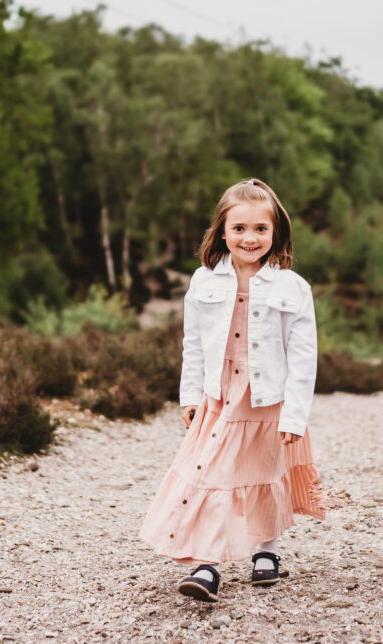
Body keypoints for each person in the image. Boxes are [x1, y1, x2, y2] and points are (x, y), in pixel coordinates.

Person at [138, 177, 326, 603]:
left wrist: (295, 416)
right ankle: (207, 564)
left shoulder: (293, 288)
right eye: (239, 228)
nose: (250, 238)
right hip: (220, 396)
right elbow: (192, 344)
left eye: (260, 229)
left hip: (268, 398)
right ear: (221, 231)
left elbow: (302, 357)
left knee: (265, 473)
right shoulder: (203, 281)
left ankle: (267, 552)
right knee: (213, 475)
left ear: (276, 231)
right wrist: (190, 396)